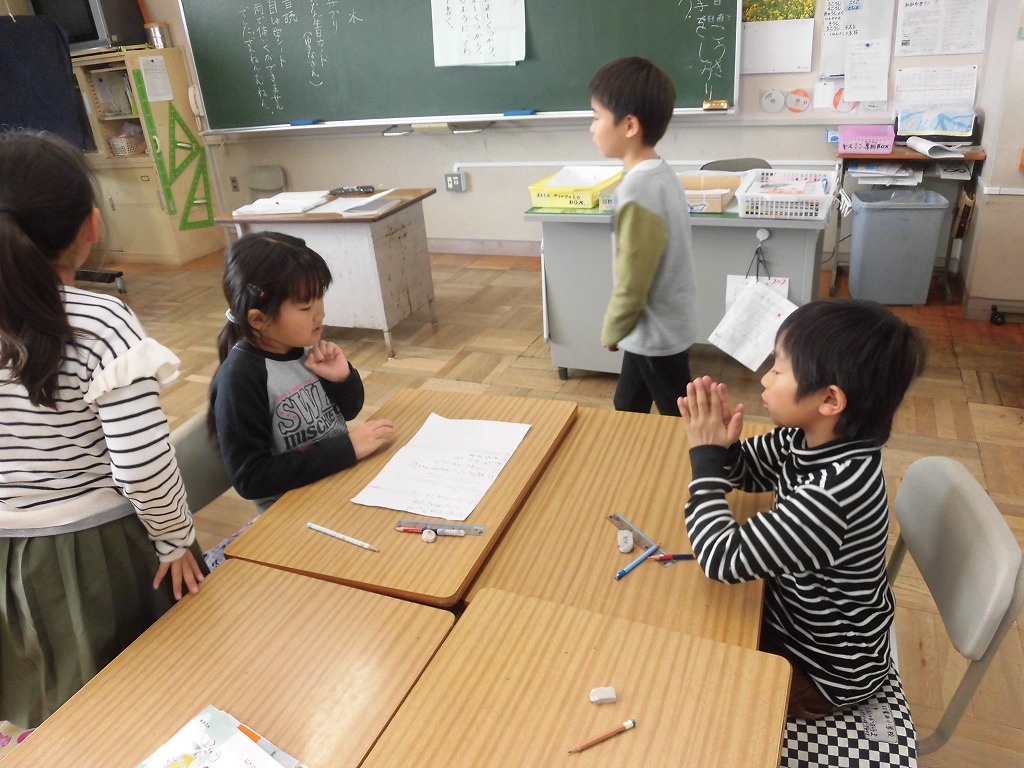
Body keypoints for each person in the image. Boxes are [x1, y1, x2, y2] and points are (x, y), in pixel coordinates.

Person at [0, 131, 205, 729]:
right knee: (139, 699)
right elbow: (143, 467)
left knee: (57, 700)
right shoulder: (101, 320)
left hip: (7, 554)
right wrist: (174, 540)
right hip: (97, 552)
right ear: (91, 225)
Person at [679, 299, 927, 719]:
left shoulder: (832, 497)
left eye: (779, 369)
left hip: (824, 670)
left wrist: (705, 460)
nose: (764, 378)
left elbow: (720, 559)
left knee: (703, 693)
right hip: (793, 618)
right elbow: (751, 472)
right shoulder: (811, 437)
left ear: (829, 399)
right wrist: (724, 447)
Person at [207, 232, 395, 522]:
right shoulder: (240, 379)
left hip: (337, 482)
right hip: (292, 514)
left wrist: (342, 379)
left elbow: (349, 410)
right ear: (259, 319)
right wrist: (346, 449)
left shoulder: (303, 347)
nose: (320, 313)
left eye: (319, 297)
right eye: (306, 307)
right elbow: (251, 478)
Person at [588, 56, 698, 416]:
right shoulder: (662, 173)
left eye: (596, 116)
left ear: (630, 125)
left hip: (655, 332)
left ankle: (705, 450)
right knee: (627, 404)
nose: (591, 127)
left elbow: (633, 279)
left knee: (679, 415)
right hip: (658, 323)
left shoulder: (637, 191)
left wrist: (612, 328)